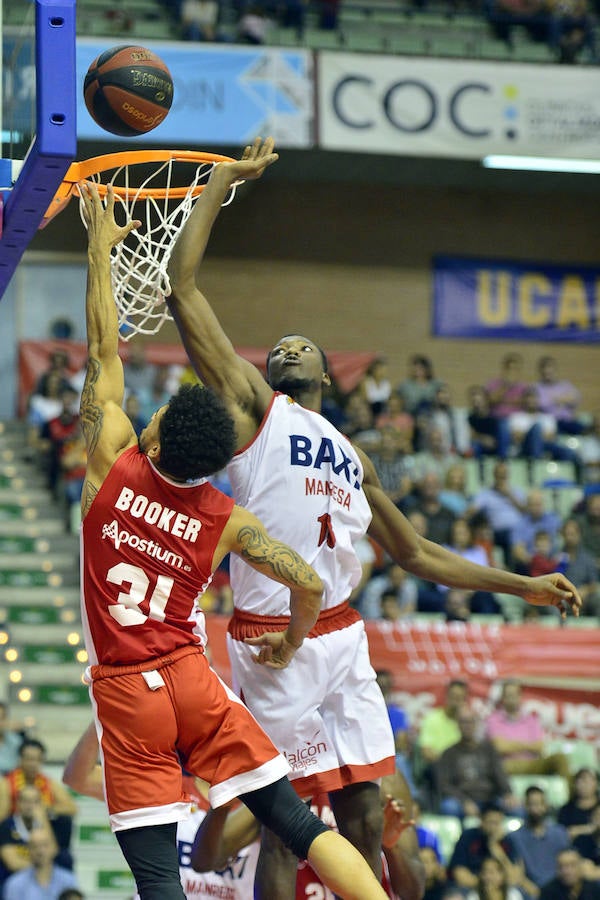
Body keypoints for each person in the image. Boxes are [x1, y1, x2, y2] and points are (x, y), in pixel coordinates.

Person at [165, 137, 582, 898]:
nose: (289, 345)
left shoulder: (351, 456)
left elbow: (417, 552)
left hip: (344, 634)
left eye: (303, 345)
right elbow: (183, 291)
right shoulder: (259, 412)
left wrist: (524, 585)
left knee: (365, 813)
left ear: (328, 375)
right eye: (280, 346)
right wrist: (221, 183)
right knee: (287, 824)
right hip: (275, 639)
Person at [75, 180, 389, 900]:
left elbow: (101, 354)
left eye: (157, 416)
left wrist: (99, 250)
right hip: (193, 682)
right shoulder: (227, 518)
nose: (149, 416)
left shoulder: (110, 464)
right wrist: (292, 639)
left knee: (160, 875)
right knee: (302, 827)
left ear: (156, 439)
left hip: (126, 690)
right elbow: (307, 581)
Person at [436, 707, 519, 820]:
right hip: (462, 800)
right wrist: (464, 801)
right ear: (457, 725)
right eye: (463, 722)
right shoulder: (448, 754)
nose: (467, 726)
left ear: (476, 724)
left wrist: (508, 793)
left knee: (517, 810)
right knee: (449, 807)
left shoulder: (489, 749)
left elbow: (499, 774)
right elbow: (444, 785)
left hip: (490, 799)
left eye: (470, 721)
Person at [485, 680, 570, 779]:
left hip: (532, 764)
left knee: (560, 758)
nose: (512, 698)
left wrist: (511, 745)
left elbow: (540, 747)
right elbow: (499, 747)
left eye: (515, 694)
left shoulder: (531, 720)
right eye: (509, 695)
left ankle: (571, 788)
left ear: (520, 696)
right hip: (508, 764)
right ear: (503, 698)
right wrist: (528, 746)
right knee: (498, 767)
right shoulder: (493, 720)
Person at [510, 786, 571, 896]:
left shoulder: (560, 833)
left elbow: (567, 864)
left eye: (539, 804)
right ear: (525, 806)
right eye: (531, 804)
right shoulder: (515, 837)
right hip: (528, 891)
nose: (535, 809)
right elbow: (516, 871)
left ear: (546, 805)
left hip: (559, 889)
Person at [448, 801, 521, 891]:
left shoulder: (507, 841)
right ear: (481, 820)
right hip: (472, 888)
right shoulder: (468, 837)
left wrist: (496, 850)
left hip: (500, 890)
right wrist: (486, 885)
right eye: (490, 822)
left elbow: (513, 878)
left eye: (497, 823)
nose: (493, 827)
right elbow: (459, 874)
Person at [0, 785, 58, 890]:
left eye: (35, 802)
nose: (30, 806)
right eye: (26, 801)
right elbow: (13, 863)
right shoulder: (6, 825)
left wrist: (43, 820)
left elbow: (53, 852)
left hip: (42, 877)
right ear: (18, 803)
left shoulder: (47, 824)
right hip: (13, 877)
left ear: (41, 804)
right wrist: (41, 868)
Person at [2, 829, 79, 900]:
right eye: (34, 846)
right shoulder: (15, 884)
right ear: (28, 850)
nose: (40, 851)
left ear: (55, 848)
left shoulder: (69, 881)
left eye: (45, 845)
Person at [557, 769, 600, 841]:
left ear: (597, 783)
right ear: (574, 784)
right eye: (581, 780)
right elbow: (562, 835)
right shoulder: (566, 810)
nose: (584, 785)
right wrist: (590, 828)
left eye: (589, 781)